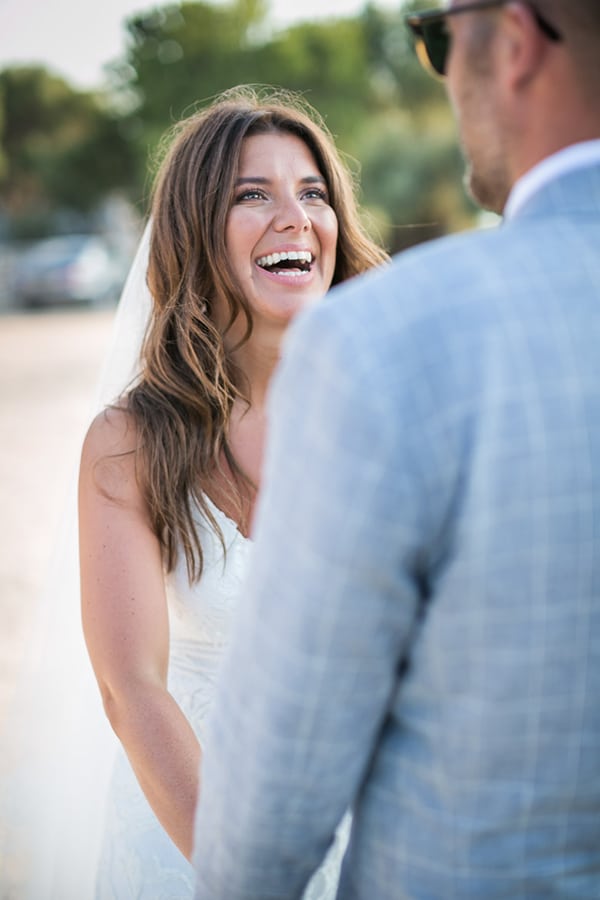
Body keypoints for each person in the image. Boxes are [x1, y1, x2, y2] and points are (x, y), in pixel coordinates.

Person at [193, 3, 600, 898]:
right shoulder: (142, 434)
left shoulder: (385, 340)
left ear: (518, 42)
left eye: (435, 37)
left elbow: (274, 792)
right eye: (250, 193)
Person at [77, 84, 389, 899]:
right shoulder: (130, 444)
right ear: (193, 229)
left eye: (313, 194)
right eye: (254, 195)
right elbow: (130, 687)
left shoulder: (394, 415)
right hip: (187, 838)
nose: (295, 218)